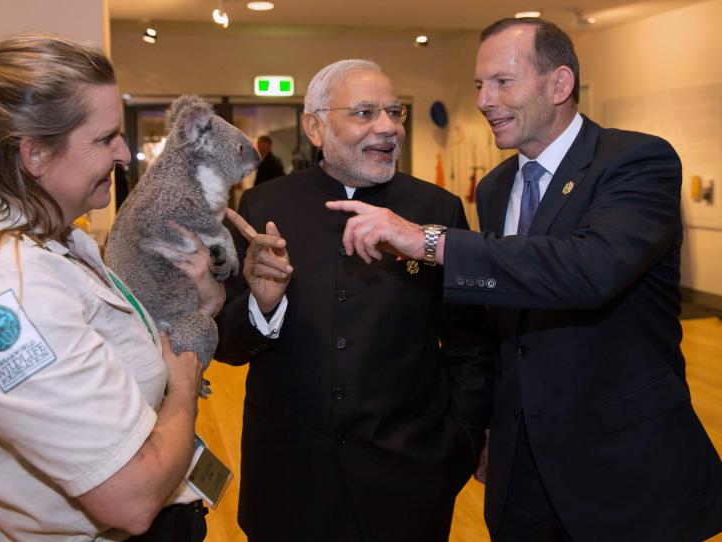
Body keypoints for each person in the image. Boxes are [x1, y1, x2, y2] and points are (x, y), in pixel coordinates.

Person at [326, 18, 722, 542]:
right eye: (478, 86)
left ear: (559, 84)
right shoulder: (496, 187)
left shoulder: (635, 162)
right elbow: (503, 320)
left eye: (502, 82)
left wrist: (429, 241)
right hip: (521, 471)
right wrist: (488, 425)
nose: (485, 100)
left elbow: (587, 271)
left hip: (622, 470)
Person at [0, 34, 225, 542]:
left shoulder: (59, 240)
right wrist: (185, 389)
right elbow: (130, 496)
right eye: (105, 138)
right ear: (35, 153)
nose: (125, 153)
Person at [215, 59, 496, 542]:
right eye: (365, 113)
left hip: (408, 477)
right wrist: (261, 306)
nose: (388, 127)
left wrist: (457, 445)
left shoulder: (436, 210)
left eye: (394, 112)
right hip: (288, 480)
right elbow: (226, 345)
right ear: (316, 127)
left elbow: (471, 343)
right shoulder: (263, 209)